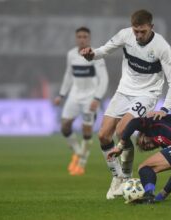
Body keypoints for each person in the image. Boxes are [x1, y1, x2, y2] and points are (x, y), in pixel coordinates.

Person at [80, 9, 171, 199]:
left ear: (151, 27)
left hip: (147, 94)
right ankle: (117, 177)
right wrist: (91, 54)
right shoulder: (125, 35)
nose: (139, 35)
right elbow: (103, 50)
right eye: (136, 31)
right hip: (124, 91)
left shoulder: (161, 47)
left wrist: (165, 108)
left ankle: (126, 178)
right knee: (103, 135)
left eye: (143, 31)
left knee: (122, 130)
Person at [54, 27, 109, 176]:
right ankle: (78, 153)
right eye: (79, 36)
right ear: (76, 38)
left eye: (85, 36)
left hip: (90, 96)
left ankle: (82, 163)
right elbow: (68, 75)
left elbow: (103, 78)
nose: (82, 39)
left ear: (89, 38)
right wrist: (61, 94)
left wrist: (97, 98)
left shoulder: (95, 55)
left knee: (87, 130)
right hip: (74, 95)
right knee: (65, 126)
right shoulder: (71, 54)